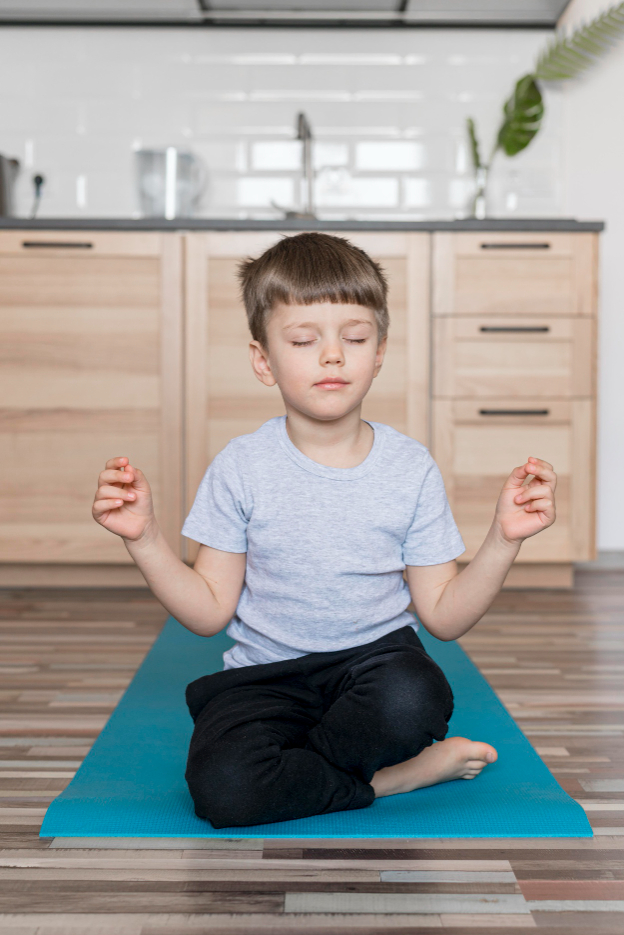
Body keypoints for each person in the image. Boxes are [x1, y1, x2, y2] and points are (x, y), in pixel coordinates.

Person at [91, 232, 557, 829]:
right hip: (265, 677)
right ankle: (388, 779)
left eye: (354, 338)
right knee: (223, 791)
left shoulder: (410, 467)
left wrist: (504, 539)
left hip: (374, 669)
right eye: (305, 340)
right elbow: (208, 613)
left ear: (379, 351)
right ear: (264, 360)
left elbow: (444, 617)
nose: (333, 355)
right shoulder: (239, 466)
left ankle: (310, 775)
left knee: (414, 695)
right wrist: (144, 538)